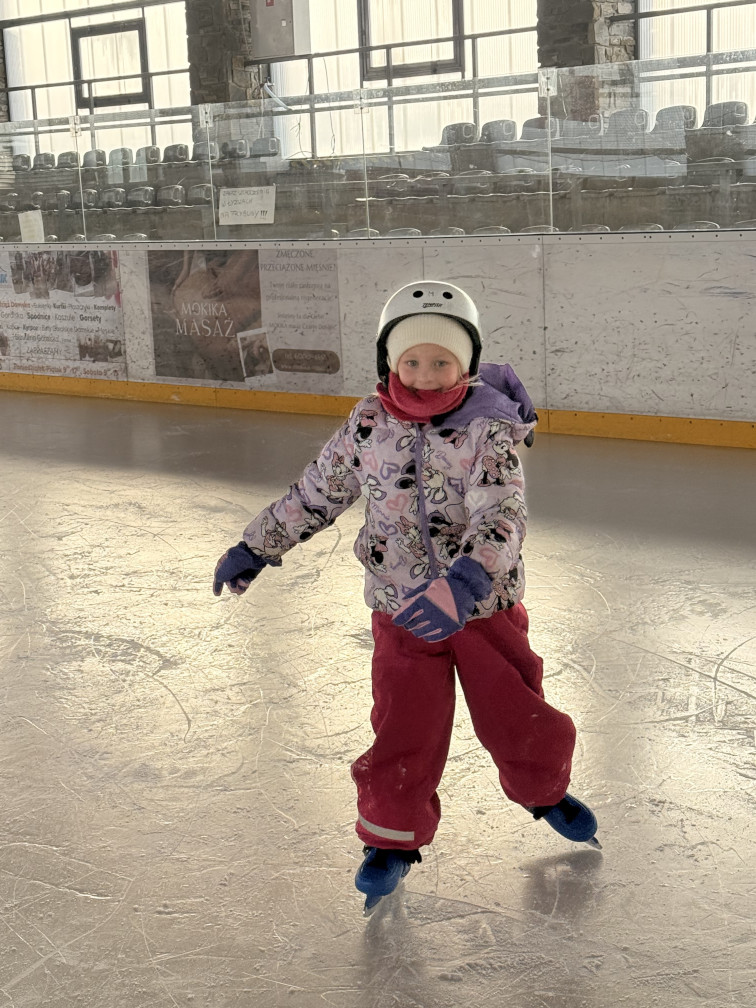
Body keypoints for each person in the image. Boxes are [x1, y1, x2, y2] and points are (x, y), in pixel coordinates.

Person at [213, 280, 600, 913]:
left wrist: (468, 580)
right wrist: (257, 545)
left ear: (467, 364)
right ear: (388, 362)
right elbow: (318, 491)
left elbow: (503, 510)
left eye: (441, 361)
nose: (424, 375)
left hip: (481, 605)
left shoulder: (488, 429)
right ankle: (391, 835)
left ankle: (544, 788)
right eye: (410, 360)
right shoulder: (369, 424)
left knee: (514, 706)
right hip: (400, 605)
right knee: (403, 720)